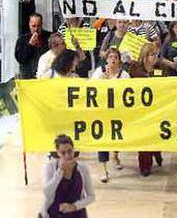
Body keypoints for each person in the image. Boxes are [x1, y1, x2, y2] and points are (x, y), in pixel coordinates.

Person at [91, 48, 130, 183]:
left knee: (117, 137)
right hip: (102, 111)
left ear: (119, 60)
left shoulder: (124, 75)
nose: (113, 59)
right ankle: (103, 169)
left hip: (118, 111)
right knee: (102, 139)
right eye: (110, 57)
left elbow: (128, 92)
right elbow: (91, 89)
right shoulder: (99, 72)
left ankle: (115, 154)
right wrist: (104, 79)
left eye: (115, 57)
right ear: (106, 59)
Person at [40, 134, 95, 217]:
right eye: (63, 153)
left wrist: (74, 206)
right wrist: (59, 172)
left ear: (74, 150)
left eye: (70, 151)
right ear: (58, 153)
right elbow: (47, 193)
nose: (67, 155)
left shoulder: (83, 169)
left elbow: (91, 196)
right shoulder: (50, 167)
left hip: (76, 213)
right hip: (53, 214)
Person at [129, 42, 163, 175]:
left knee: (155, 135)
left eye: (156, 54)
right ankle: (145, 166)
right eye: (152, 54)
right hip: (140, 109)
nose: (154, 57)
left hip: (156, 108)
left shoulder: (161, 68)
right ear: (144, 56)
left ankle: (157, 152)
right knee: (144, 137)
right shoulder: (135, 69)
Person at [15, 13, 49, 78]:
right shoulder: (22, 39)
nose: (36, 29)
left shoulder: (49, 37)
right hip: (28, 77)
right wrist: (30, 45)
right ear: (29, 25)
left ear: (42, 24)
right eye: (33, 26)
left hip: (45, 77)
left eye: (38, 26)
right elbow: (20, 59)